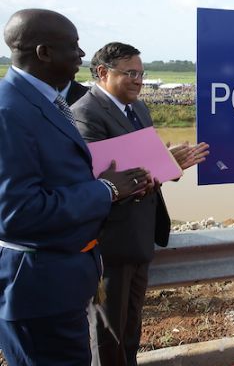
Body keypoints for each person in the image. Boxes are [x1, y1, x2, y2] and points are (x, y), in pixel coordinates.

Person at [0, 9, 150, 364]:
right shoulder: (10, 112)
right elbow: (16, 213)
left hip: (65, 281)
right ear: (43, 52)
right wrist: (106, 190)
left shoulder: (47, 101)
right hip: (39, 289)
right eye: (73, 46)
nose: (82, 55)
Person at [71, 42, 209, 366]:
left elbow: (149, 163)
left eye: (141, 74)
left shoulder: (139, 109)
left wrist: (171, 165)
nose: (138, 80)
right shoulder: (85, 115)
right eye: (130, 73)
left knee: (131, 330)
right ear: (103, 73)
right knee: (108, 336)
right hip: (110, 243)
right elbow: (104, 180)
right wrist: (162, 164)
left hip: (141, 237)